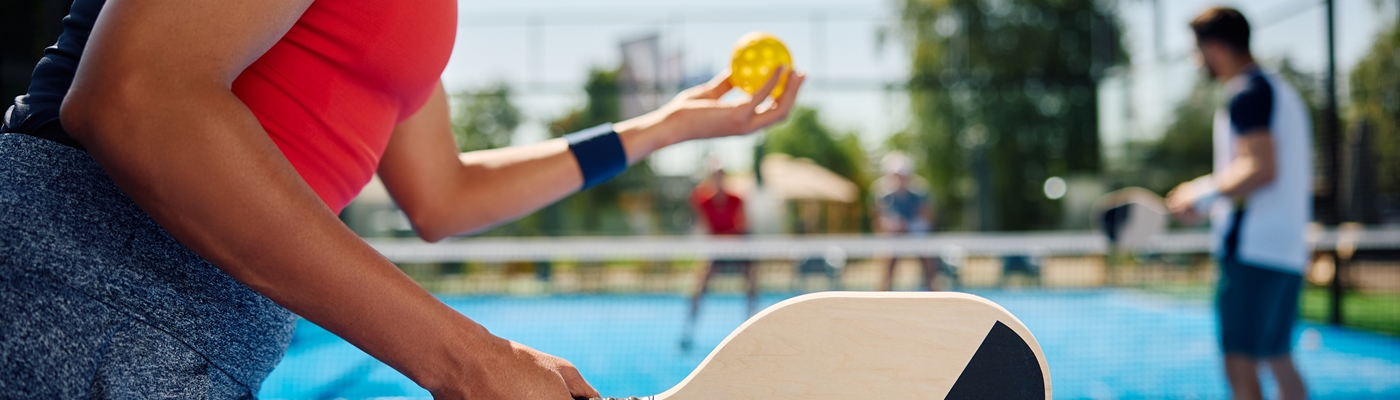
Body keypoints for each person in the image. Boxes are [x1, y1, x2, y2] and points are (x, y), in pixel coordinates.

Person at [0, 0, 805, 397]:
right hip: (86, 282)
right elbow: (137, 97)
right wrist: (473, 360)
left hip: (203, 326)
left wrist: (663, 128)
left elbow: (443, 195)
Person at [1166, 7, 1311, 400]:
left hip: (1253, 254)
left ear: (1214, 48)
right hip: (1287, 252)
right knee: (1280, 360)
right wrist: (1207, 195)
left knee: (1239, 364)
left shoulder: (1246, 92)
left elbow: (1261, 167)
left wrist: (1200, 193)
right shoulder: (1283, 93)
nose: (1198, 61)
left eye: (1198, 51)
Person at [680, 166, 757, 351]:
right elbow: (694, 198)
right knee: (699, 286)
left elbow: (743, 223)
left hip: (738, 248)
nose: (718, 180)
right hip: (716, 250)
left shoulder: (736, 199)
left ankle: (753, 325)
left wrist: (732, 241)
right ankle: (688, 331)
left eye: (721, 176)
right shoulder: (704, 200)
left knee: (752, 282)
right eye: (715, 176)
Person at [872, 152, 938, 291]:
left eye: (902, 176)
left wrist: (907, 226)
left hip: (916, 236)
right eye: (896, 176)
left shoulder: (920, 193)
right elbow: (879, 222)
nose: (899, 179)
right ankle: (882, 296)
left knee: (928, 260)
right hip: (894, 239)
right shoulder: (883, 196)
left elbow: (926, 219)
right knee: (888, 261)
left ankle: (933, 291)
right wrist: (890, 227)